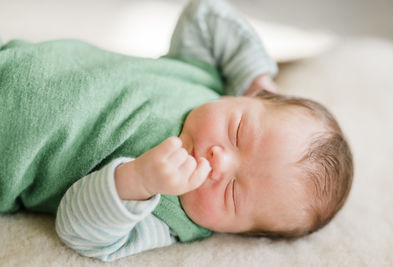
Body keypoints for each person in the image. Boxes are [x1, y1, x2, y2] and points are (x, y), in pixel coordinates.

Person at [0, 0, 353, 262]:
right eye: (238, 130)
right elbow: (205, 14)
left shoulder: (170, 219)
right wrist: (256, 78)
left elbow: (80, 233)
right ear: (244, 97)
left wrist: (137, 182)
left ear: (233, 231)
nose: (220, 161)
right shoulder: (203, 79)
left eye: (232, 193)